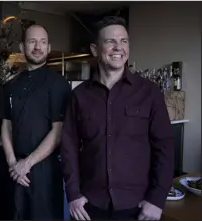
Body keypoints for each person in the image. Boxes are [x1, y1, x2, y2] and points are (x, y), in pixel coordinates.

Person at [60, 16, 174, 220]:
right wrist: (73, 194)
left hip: (138, 206)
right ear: (95, 50)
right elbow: (68, 147)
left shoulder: (149, 92)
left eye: (124, 41)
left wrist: (157, 199)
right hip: (90, 205)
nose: (118, 47)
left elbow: (164, 147)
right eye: (110, 41)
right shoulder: (80, 95)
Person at [0, 24, 71, 219]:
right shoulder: (11, 85)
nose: (37, 46)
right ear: (22, 47)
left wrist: (27, 164)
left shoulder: (59, 83)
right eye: (32, 41)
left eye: (42, 42)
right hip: (16, 170)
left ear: (48, 48)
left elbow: (58, 131)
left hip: (45, 171)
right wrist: (13, 162)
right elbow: (6, 125)